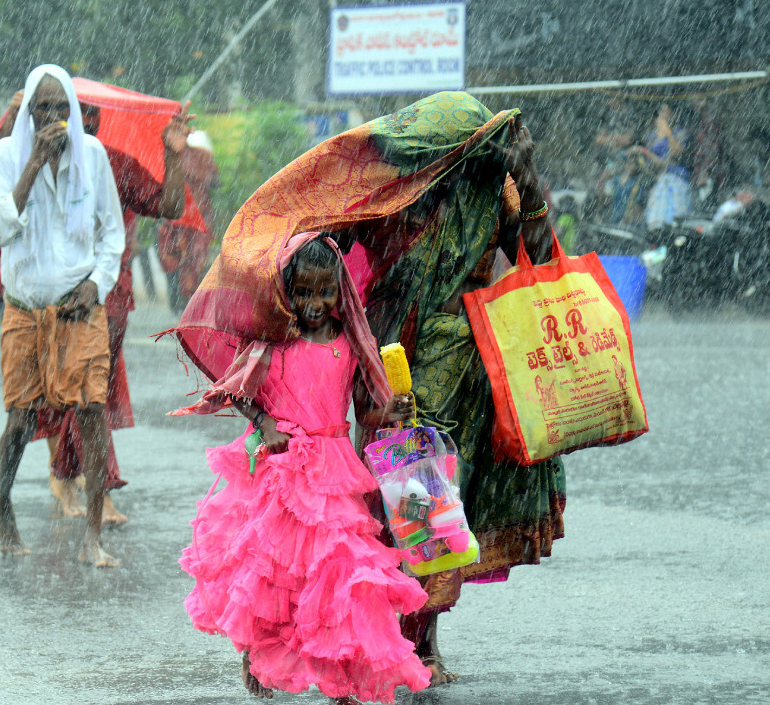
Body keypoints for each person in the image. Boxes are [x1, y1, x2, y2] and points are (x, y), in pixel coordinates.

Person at [176, 92, 560, 687]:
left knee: (437, 509)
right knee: (385, 507)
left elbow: (537, 253)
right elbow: (319, 232)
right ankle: (367, 638)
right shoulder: (393, 188)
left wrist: (528, 179)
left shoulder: (498, 186)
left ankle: (421, 640)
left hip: (461, 366)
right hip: (385, 362)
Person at [174, 233, 431, 703]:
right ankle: (256, 653)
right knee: (273, 576)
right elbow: (239, 391)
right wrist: (265, 423)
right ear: (285, 291)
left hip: (335, 474)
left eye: (325, 291)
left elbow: (362, 411)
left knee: (341, 574)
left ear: (341, 290)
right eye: (304, 292)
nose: (315, 303)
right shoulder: (272, 341)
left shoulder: (352, 344)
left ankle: (341, 678)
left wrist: (389, 413)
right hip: (282, 473)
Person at [0, 64, 125, 567]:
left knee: (91, 410)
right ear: (28, 113)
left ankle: (92, 534)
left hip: (78, 307)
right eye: (41, 108)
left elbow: (112, 233)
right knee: (20, 420)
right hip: (24, 309)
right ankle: (3, 502)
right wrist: (32, 166)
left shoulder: (92, 157)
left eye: (59, 107)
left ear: (72, 112)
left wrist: (96, 284)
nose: (51, 117)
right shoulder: (7, 156)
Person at [39, 97, 192, 524]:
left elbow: (170, 206)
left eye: (93, 119)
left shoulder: (115, 163)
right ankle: (88, 483)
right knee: (84, 389)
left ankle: (78, 479)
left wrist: (172, 154)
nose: (85, 127)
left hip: (111, 294)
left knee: (91, 389)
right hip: (58, 293)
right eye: (76, 117)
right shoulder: (39, 163)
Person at [158, 129, 219, 312]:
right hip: (185, 219)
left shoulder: (177, 156)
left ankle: (183, 301)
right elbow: (215, 182)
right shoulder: (198, 157)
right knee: (188, 260)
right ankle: (186, 302)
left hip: (182, 218)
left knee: (183, 260)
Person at [639, 103, 692, 231]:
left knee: (676, 222)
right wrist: (644, 152)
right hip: (660, 180)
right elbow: (655, 164)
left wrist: (668, 132)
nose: (662, 115)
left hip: (677, 179)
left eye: (665, 111)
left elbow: (677, 153)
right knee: (656, 222)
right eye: (660, 112)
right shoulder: (652, 136)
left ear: (673, 114)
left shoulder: (680, 132)